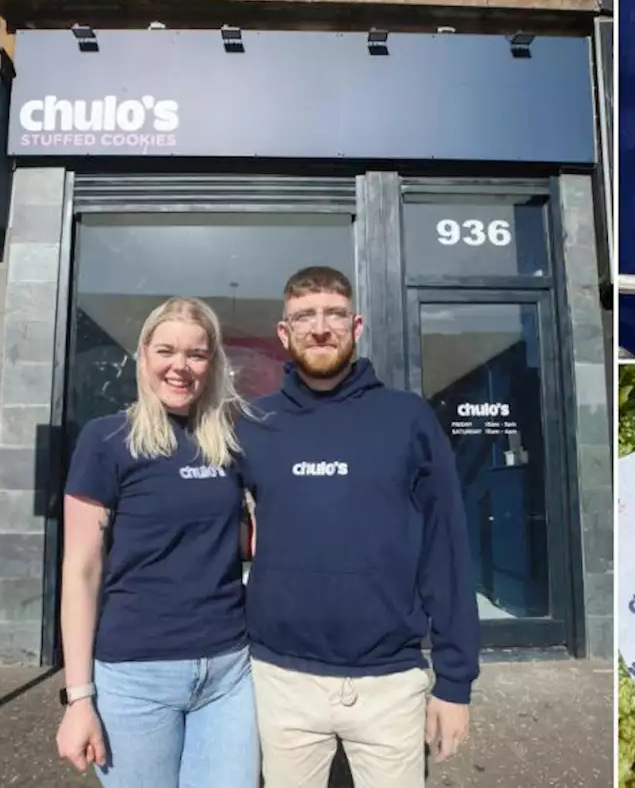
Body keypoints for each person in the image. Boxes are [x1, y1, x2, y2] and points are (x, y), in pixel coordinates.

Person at [239, 265, 480, 788]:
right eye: (304, 316)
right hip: (280, 680)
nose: (320, 327)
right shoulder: (253, 425)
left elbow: (447, 550)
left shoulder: (408, 419)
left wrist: (455, 683)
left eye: (334, 314)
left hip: (389, 682)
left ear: (357, 325)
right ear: (285, 333)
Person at [55, 298, 258, 787]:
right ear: (143, 353)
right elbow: (81, 571)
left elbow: (248, 542)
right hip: (135, 678)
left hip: (229, 673)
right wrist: (79, 698)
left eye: (196, 354)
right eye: (166, 350)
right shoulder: (107, 441)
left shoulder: (230, 444)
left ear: (213, 363)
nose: (180, 366)